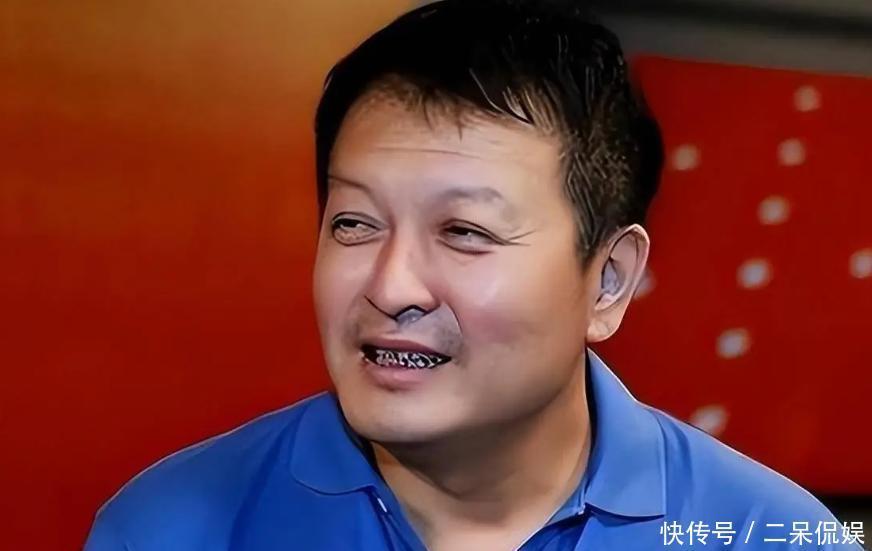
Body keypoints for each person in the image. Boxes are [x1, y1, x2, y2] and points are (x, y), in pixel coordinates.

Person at [84, 1, 864, 549]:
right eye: (354, 223)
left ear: (608, 280)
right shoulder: (170, 527)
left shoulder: (763, 534)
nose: (391, 286)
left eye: (463, 232)